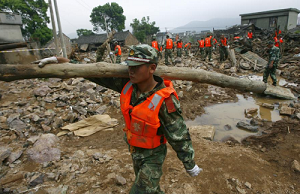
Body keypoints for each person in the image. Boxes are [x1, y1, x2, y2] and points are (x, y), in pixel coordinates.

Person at [88, 44, 202, 193]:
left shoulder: (165, 100)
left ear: (152, 68)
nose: (131, 70)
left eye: (136, 66)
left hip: (153, 156)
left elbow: (178, 134)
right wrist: (67, 65)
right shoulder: (128, 85)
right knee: (150, 190)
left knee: (140, 191)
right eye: (129, 65)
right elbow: (99, 76)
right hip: (135, 151)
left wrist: (189, 163)